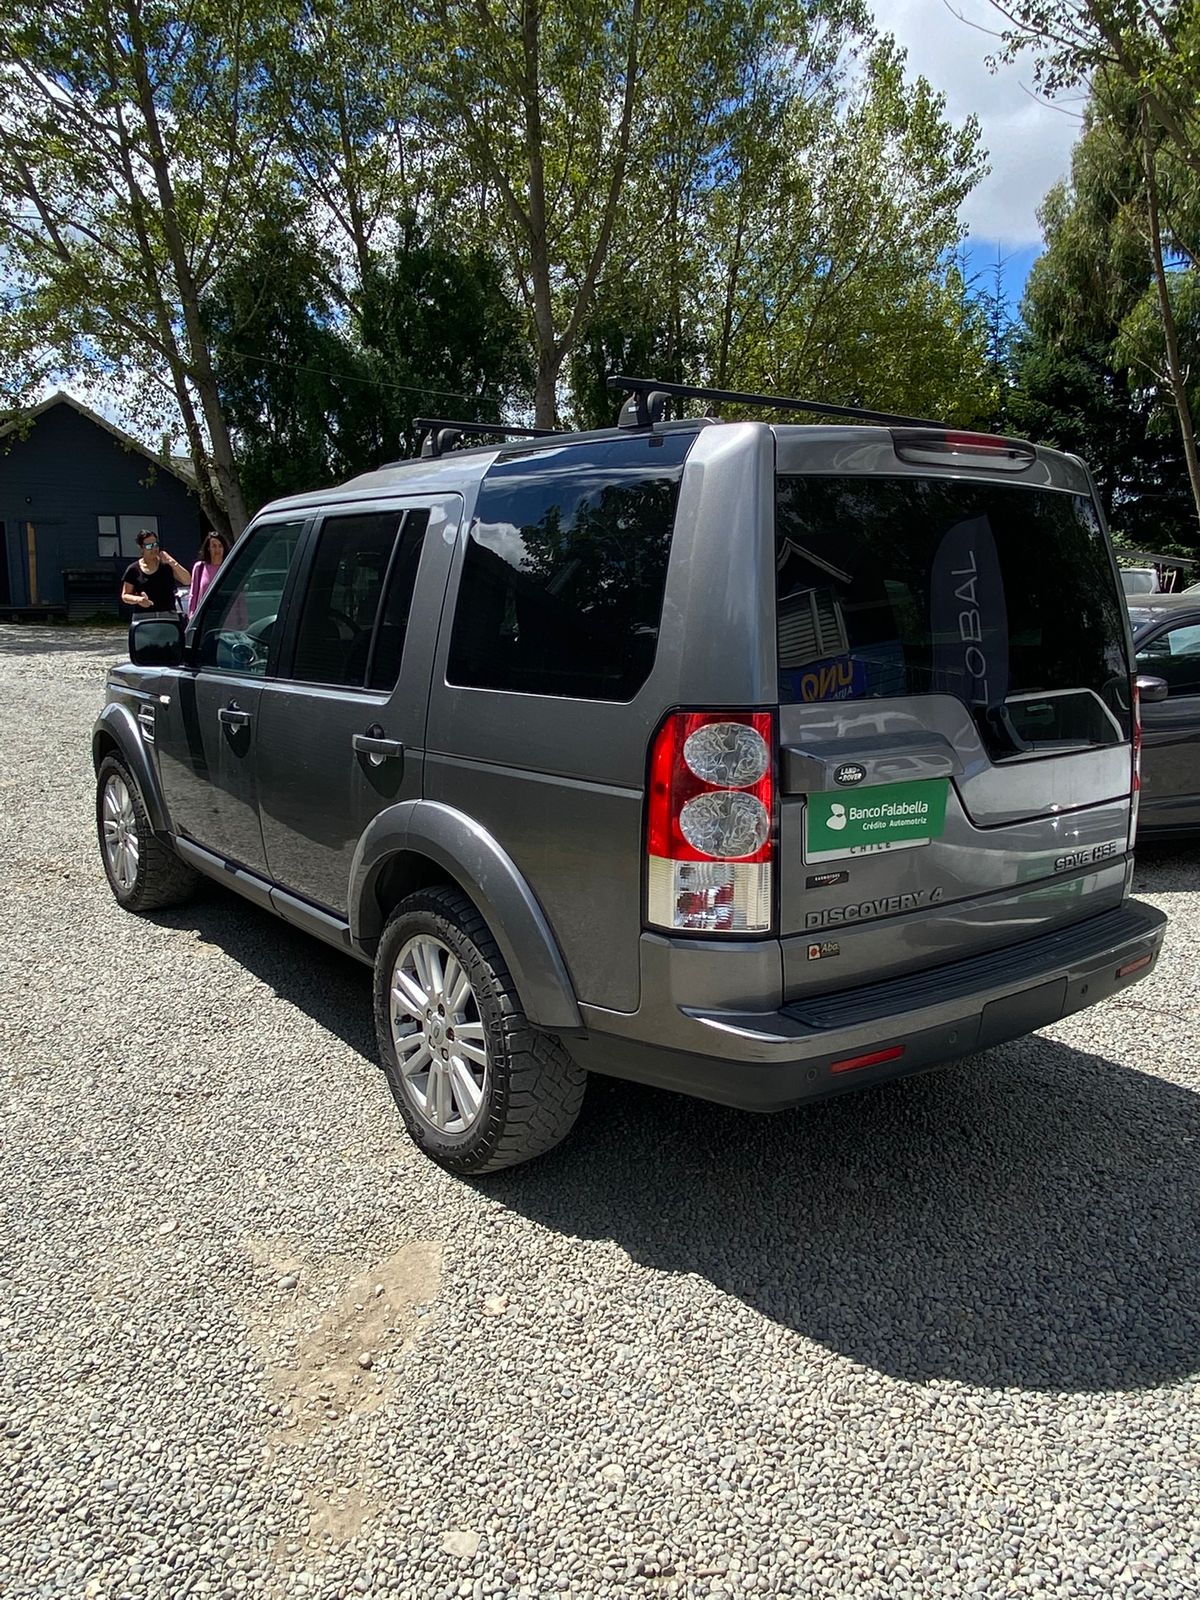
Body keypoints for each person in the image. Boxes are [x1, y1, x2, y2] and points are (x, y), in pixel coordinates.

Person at [120, 530, 190, 613]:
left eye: (156, 545)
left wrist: (173, 563)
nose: (154, 549)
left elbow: (187, 581)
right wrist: (138, 599)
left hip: (168, 615)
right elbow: (125, 595)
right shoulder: (133, 569)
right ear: (141, 548)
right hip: (143, 617)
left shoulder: (167, 565)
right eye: (149, 546)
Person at [187, 530, 230, 616]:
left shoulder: (229, 567)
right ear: (208, 548)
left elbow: (239, 597)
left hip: (227, 618)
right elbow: (193, 594)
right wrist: (191, 616)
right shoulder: (200, 568)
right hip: (205, 617)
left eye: (220, 546)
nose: (217, 549)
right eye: (214, 546)